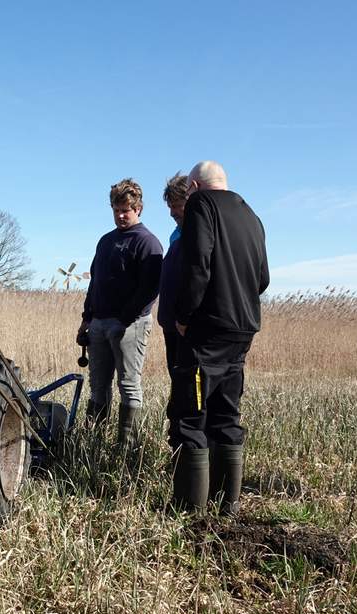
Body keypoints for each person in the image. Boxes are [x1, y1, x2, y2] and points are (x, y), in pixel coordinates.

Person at [167, 161, 269, 516]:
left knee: (189, 414)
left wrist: (183, 315)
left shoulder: (201, 205)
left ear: (194, 186)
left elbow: (198, 264)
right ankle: (229, 504)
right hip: (242, 329)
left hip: (206, 330)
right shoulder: (250, 214)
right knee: (226, 413)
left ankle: (188, 508)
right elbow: (263, 279)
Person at [77, 179, 163, 447]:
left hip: (130, 326)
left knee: (128, 385)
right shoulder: (105, 241)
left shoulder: (148, 243)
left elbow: (150, 290)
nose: (121, 215)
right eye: (116, 209)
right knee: (98, 387)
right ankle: (94, 443)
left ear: (138, 208)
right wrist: (86, 319)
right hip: (99, 324)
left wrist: (124, 320)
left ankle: (126, 448)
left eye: (126, 209)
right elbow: (95, 283)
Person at [157, 172, 192, 377]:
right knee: (176, 378)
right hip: (171, 324)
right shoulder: (175, 235)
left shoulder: (200, 234)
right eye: (170, 206)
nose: (172, 212)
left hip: (186, 326)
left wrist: (184, 318)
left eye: (177, 205)